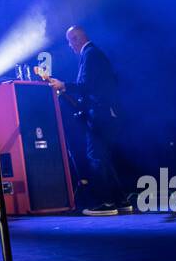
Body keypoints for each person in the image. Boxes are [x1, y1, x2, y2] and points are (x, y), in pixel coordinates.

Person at [46, 25, 128, 216]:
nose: (69, 46)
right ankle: (120, 200)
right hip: (106, 112)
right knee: (103, 157)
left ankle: (107, 203)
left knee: (95, 156)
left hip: (100, 113)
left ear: (76, 39)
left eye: (69, 41)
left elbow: (86, 85)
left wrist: (63, 85)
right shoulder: (94, 53)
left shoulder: (90, 54)